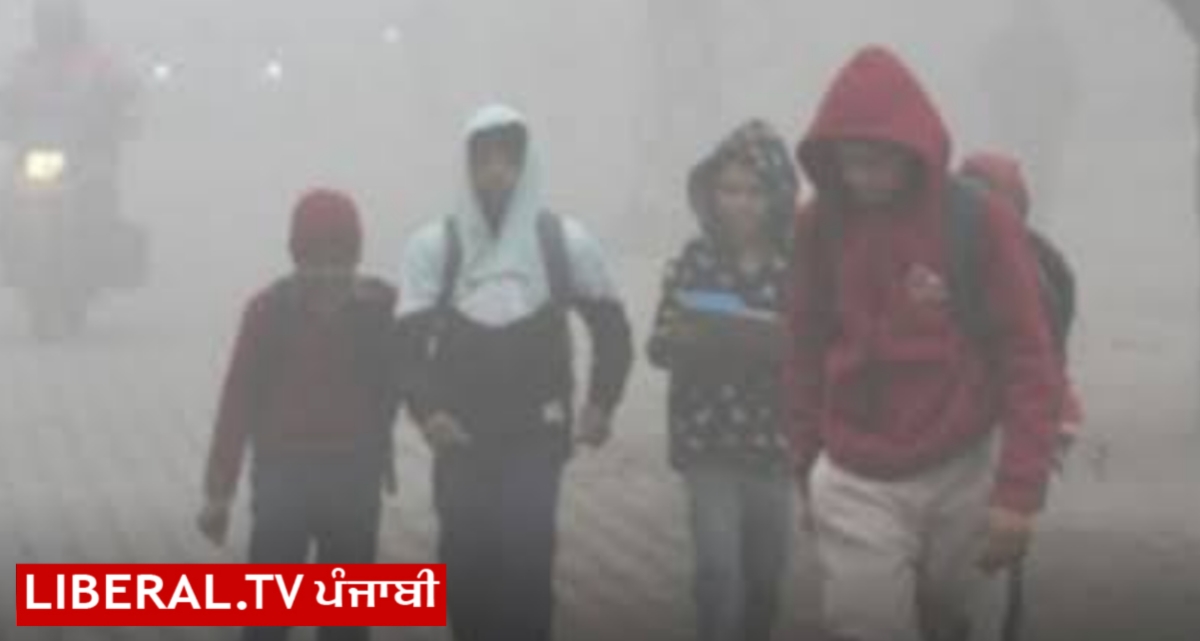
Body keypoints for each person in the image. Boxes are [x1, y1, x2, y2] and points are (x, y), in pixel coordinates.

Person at [786, 47, 1064, 641]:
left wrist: (1018, 494)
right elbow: (803, 348)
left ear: (913, 148)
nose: (863, 178)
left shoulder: (981, 222)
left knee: (964, 624)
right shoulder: (818, 226)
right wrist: (805, 464)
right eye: (850, 162)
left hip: (964, 463)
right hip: (855, 471)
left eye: (879, 161)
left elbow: (1028, 356)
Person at [396, 104, 635, 641]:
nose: (496, 171)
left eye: (508, 158)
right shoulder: (435, 247)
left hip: (536, 434)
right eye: (483, 159)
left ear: (527, 165)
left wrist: (602, 402)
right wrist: (427, 412)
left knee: (527, 561)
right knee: (464, 564)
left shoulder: (564, 242)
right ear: (466, 166)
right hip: (460, 435)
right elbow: (406, 349)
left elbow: (611, 329)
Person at [198, 189, 401, 641]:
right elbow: (237, 402)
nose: (327, 272)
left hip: (354, 477)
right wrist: (218, 493)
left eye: (338, 258)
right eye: (315, 258)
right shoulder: (268, 313)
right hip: (283, 477)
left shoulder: (381, 310)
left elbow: (412, 376)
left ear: (355, 256)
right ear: (297, 256)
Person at [646, 120, 798, 641]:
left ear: (776, 196)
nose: (740, 203)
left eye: (754, 191)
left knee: (766, 578)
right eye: (729, 190)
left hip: (774, 443)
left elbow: (822, 348)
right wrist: (690, 335)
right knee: (717, 570)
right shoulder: (694, 260)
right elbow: (659, 344)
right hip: (707, 441)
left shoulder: (798, 267)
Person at [0, 0, 140, 217]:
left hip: (88, 151)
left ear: (73, 25)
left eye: (59, 23)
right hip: (33, 148)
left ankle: (103, 233)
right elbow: (9, 95)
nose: (53, 30)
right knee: (9, 196)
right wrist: (8, 119)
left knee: (99, 196)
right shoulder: (26, 62)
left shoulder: (98, 61)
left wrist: (120, 114)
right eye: (48, 23)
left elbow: (125, 89)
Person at [977, 0, 1078, 224]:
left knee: (1018, 172)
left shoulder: (1009, 40)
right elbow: (1069, 87)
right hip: (1036, 122)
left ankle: (1019, 217)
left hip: (1022, 122)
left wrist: (1000, 103)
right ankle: (1031, 217)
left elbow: (987, 75)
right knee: (1038, 173)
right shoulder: (1051, 42)